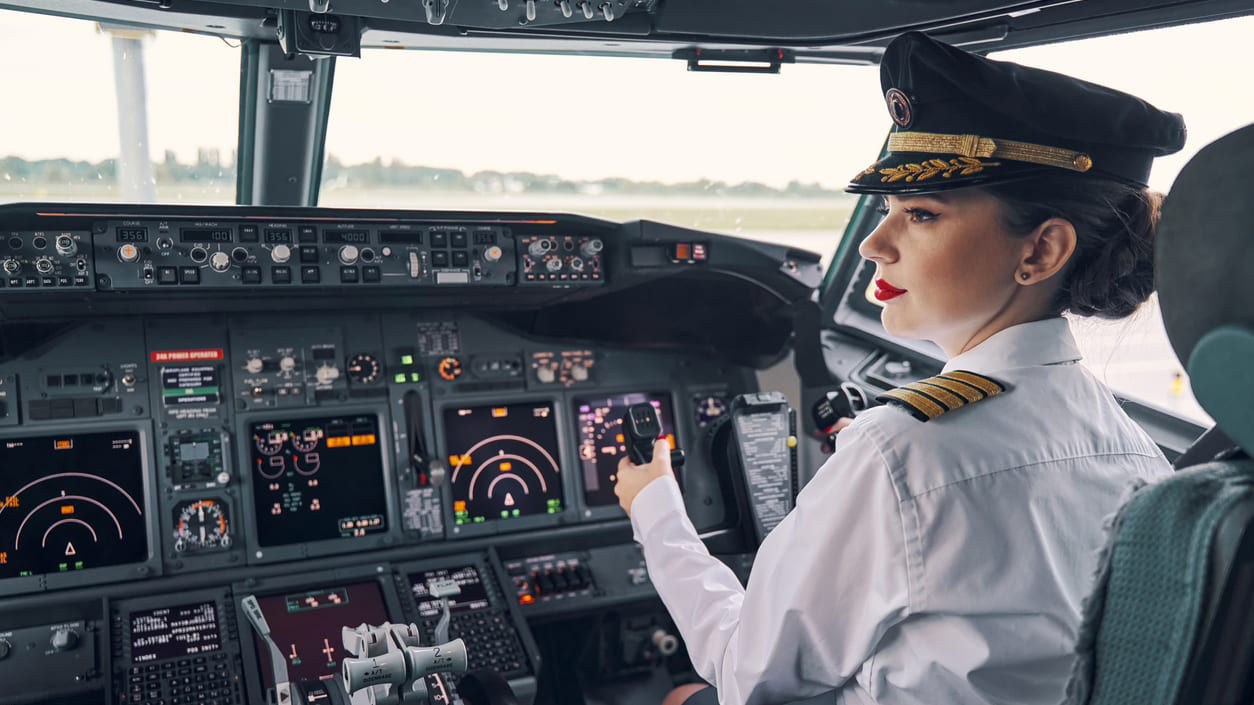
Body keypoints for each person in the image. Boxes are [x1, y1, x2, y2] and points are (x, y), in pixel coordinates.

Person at [613, 31, 1185, 705]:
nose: (873, 244)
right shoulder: (1142, 458)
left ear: (1042, 249)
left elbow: (747, 673)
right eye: (887, 210)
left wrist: (654, 509)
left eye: (920, 214)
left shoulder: (899, 454)